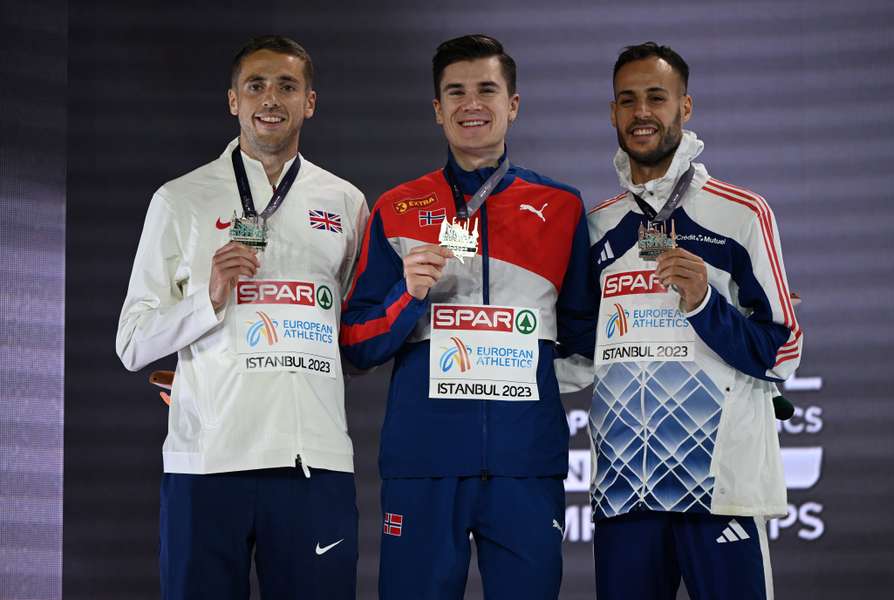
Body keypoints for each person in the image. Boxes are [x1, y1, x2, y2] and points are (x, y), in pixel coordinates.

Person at [339, 34, 596, 599]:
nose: (470, 103)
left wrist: (525, 392)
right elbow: (356, 345)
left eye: (486, 89)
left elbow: (584, 335)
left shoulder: (562, 207)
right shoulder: (396, 208)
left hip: (525, 465)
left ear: (514, 104)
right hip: (424, 463)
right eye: (455, 92)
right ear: (437, 110)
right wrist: (407, 297)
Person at [115, 35, 368, 600]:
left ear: (310, 103)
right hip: (207, 462)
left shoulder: (346, 202)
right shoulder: (180, 199)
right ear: (233, 101)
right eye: (255, 85)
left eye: (287, 86)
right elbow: (132, 342)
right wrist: (207, 297)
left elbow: (351, 332)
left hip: (314, 460)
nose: (270, 99)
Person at [586, 42, 802, 600]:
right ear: (612, 113)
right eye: (627, 100)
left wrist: (707, 303)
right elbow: (576, 354)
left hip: (717, 490)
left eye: (656, 97)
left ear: (685, 107)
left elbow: (783, 350)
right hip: (624, 490)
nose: (641, 113)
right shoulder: (597, 226)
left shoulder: (741, 213)